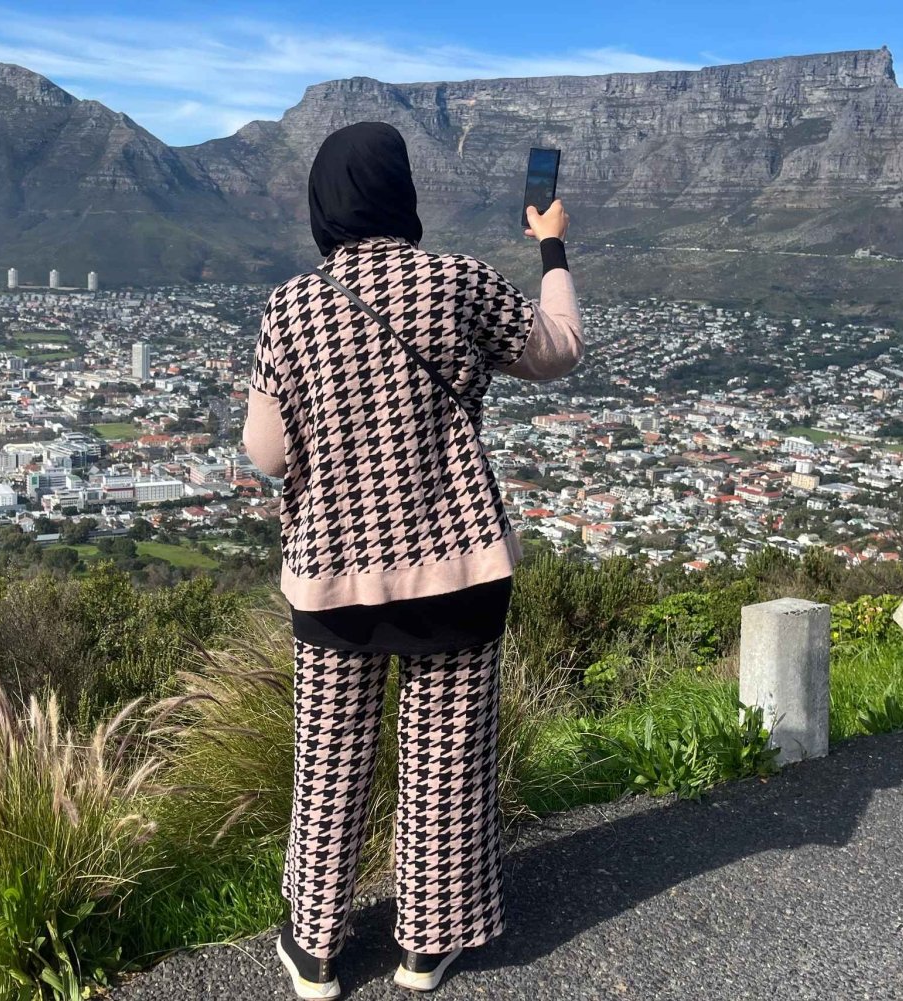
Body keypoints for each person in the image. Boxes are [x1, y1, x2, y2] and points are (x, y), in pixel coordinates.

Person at [243, 120, 583, 999]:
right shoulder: (461, 285)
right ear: (404, 195)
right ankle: (428, 944)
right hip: (457, 569)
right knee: (445, 758)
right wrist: (552, 250)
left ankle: (315, 949)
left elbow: (268, 453)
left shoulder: (294, 306)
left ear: (324, 204)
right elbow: (558, 353)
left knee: (330, 759)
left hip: (334, 577)